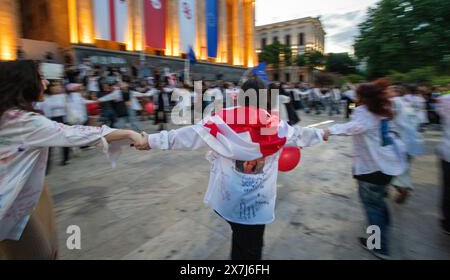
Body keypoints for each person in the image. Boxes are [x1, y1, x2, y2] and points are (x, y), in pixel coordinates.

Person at [136, 79, 325, 260]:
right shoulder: (276, 126)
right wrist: (325, 132)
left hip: (228, 198)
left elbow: (187, 136)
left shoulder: (222, 120)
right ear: (266, 98)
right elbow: (301, 135)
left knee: (241, 242)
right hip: (255, 207)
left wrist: (150, 141)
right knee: (249, 250)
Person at [0, 60, 145, 260]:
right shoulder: (26, 122)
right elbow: (75, 134)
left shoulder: (9, 116)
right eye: (40, 77)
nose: (46, 83)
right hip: (8, 209)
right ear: (26, 83)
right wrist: (128, 133)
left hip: (15, 208)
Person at [323, 79, 408, 260]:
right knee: (379, 204)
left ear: (363, 97)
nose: (355, 96)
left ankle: (378, 246)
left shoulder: (365, 112)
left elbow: (352, 127)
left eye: (357, 94)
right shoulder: (382, 110)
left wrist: (329, 131)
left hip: (372, 169)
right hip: (387, 167)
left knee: (372, 208)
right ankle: (383, 233)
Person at [387, 85, 424, 204]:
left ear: (396, 92)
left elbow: (386, 116)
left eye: (389, 90)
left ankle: (401, 188)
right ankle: (402, 187)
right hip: (413, 140)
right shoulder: (408, 103)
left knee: (388, 166)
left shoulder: (394, 102)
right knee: (404, 167)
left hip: (398, 140)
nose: (386, 92)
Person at [436, 93, 450, 234]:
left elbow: (439, 113)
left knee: (448, 190)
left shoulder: (445, 99)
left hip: (448, 153)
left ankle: (448, 223)